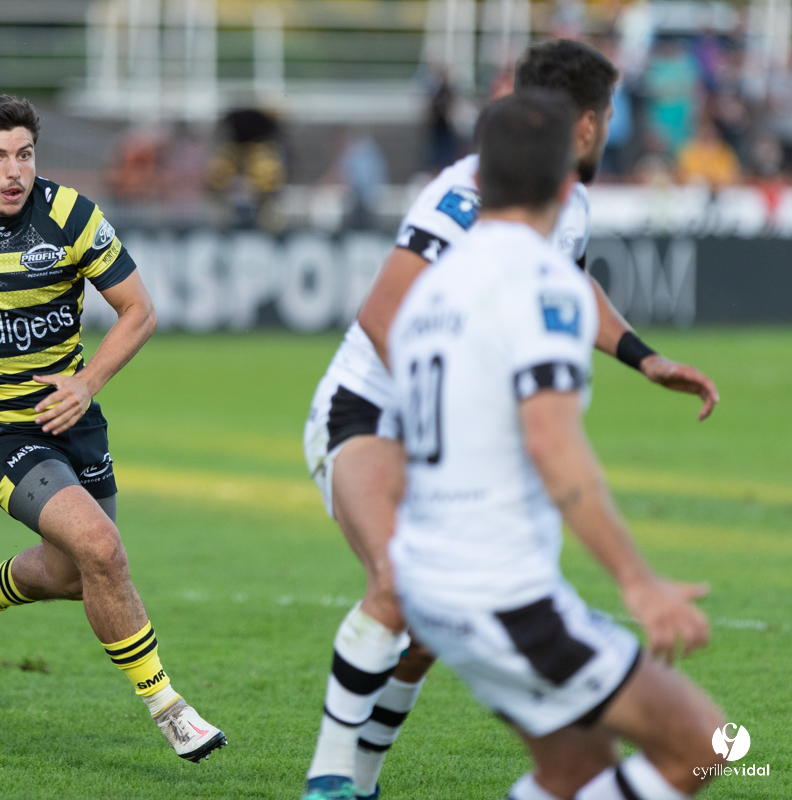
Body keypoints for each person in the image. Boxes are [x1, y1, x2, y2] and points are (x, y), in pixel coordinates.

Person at [300, 39, 720, 800]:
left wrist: (642, 356)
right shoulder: (471, 212)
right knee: (706, 747)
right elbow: (385, 315)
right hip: (372, 413)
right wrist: (637, 581)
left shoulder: (532, 234)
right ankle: (329, 781)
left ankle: (359, 779)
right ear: (586, 127)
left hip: (456, 526)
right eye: (609, 114)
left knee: (560, 758)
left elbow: (566, 283)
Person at [0, 92, 227, 763]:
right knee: (103, 549)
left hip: (74, 420)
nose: (14, 172)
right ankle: (170, 710)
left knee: (75, 573)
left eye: (24, 155)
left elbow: (139, 311)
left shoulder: (70, 215)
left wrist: (86, 384)